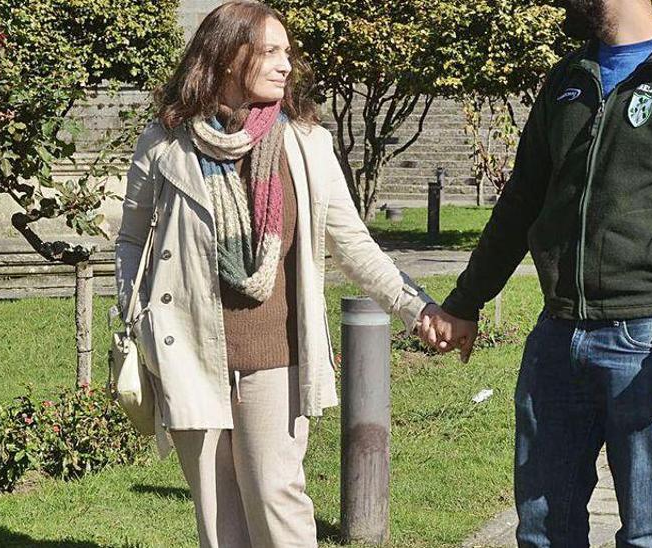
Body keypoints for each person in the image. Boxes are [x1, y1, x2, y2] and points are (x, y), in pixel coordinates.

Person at [420, 0, 652, 545]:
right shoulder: (568, 79)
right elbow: (521, 202)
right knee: (544, 528)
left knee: (649, 530)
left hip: (646, 338)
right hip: (556, 336)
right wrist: (464, 303)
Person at [114, 2, 446, 546]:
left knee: (277, 502)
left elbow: (353, 244)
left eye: (287, 52)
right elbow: (131, 240)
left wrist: (417, 308)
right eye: (270, 51)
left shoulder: (305, 142)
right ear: (225, 58)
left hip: (276, 360)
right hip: (189, 352)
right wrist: (139, 314)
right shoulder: (166, 141)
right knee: (218, 521)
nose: (286, 64)